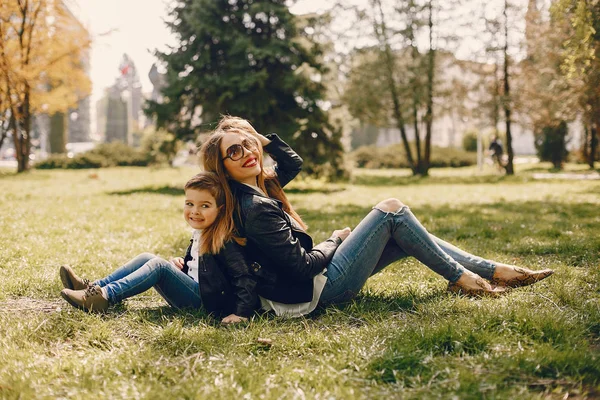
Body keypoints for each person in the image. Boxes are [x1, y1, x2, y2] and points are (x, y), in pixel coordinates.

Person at [200, 116, 554, 317]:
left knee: (407, 233)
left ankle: (494, 272)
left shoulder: (261, 187)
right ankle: (466, 278)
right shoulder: (256, 207)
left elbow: (293, 163)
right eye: (235, 151)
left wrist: (260, 137)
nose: (247, 152)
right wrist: (336, 239)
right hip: (320, 291)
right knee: (391, 209)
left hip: (318, 281)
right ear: (224, 168)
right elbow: (303, 266)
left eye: (248, 144)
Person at [59, 172, 258, 324]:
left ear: (220, 210)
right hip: (199, 290)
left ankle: (105, 296)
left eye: (205, 206)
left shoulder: (224, 239)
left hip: (209, 304)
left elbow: (244, 277)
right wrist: (183, 266)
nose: (195, 211)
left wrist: (241, 313)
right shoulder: (202, 232)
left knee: (158, 266)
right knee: (146, 256)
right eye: (189, 203)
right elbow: (203, 267)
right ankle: (94, 287)